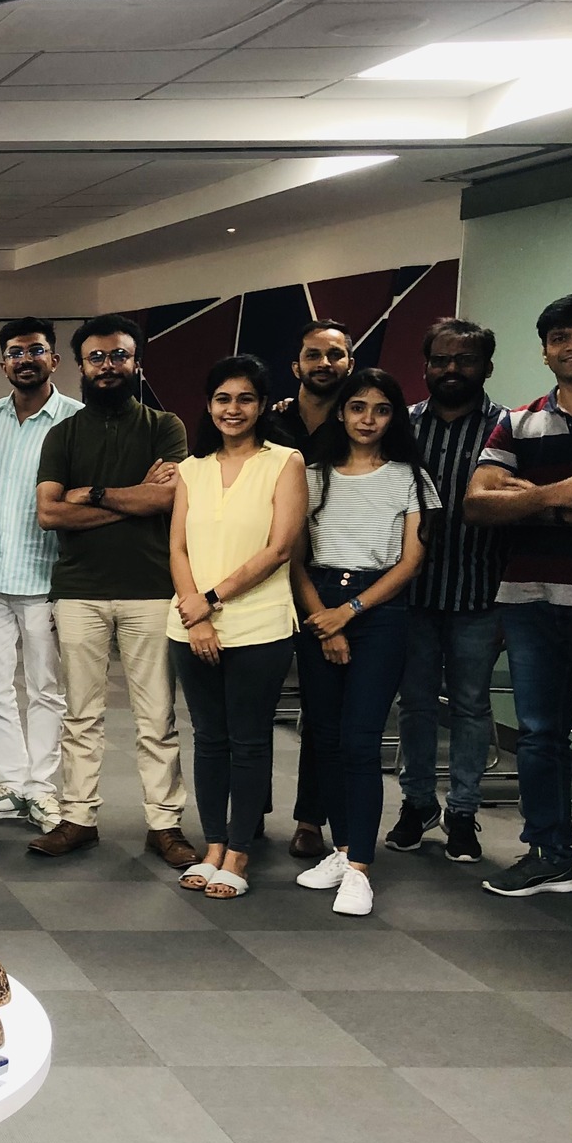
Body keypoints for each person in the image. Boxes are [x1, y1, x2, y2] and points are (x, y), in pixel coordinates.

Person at [466, 291, 572, 923]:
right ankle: (548, 856)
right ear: (544, 351)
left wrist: (535, 501)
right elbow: (478, 504)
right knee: (538, 737)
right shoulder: (519, 422)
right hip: (530, 602)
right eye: (560, 337)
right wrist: (563, 494)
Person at [29, 315, 196, 867]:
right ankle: (78, 818)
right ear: (80, 366)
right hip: (80, 590)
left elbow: (167, 499)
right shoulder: (63, 434)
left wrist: (94, 494)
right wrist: (132, 497)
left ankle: (165, 824)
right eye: (97, 357)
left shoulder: (165, 426)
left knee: (157, 717)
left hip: (151, 589)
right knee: (81, 714)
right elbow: (50, 513)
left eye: (119, 356)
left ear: (136, 363)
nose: (108, 366)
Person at [290, 369, 435, 917]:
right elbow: (294, 559)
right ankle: (343, 847)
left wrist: (347, 614)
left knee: (360, 740)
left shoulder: (411, 477)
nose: (368, 419)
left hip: (378, 610)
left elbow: (411, 562)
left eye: (381, 409)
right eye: (357, 407)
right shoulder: (312, 476)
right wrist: (323, 619)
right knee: (325, 737)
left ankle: (360, 870)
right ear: (341, 412)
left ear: (394, 417)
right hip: (319, 601)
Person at [166, 357, 307, 899]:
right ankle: (214, 845)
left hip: (259, 626)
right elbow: (177, 547)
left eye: (245, 398)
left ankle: (241, 851)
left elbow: (279, 548)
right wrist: (194, 611)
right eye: (223, 399)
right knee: (209, 739)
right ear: (208, 406)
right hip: (190, 625)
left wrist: (210, 601)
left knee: (248, 741)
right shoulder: (191, 468)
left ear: (262, 405)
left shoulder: (285, 462)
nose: (233, 409)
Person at [387, 319, 508, 864]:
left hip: (479, 594)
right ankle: (417, 804)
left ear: (487, 366)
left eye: (465, 359)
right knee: (414, 706)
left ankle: (462, 811)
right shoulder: (404, 425)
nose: (451, 369)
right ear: (426, 366)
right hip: (410, 593)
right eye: (440, 359)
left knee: (471, 707)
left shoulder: (508, 427)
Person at [0, 319, 81, 833]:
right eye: (15, 352)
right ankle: (12, 782)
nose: (25, 360)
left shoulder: (74, 419)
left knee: (46, 689)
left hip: (46, 578)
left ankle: (41, 788)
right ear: (3, 364)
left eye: (36, 350)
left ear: (53, 360)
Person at [272, 320, 357, 861]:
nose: (324, 363)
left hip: (323, 582)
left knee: (322, 712)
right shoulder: (270, 422)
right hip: (258, 577)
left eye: (335, 354)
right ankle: (246, 816)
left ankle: (310, 819)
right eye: (313, 355)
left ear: (349, 363)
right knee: (249, 710)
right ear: (296, 365)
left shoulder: (359, 424)